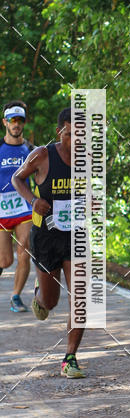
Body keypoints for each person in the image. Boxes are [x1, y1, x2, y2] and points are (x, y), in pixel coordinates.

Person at [12, 107, 86, 378]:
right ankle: (39, 297)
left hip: (75, 235)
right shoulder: (42, 155)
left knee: (80, 297)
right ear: (60, 131)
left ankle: (70, 358)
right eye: (70, 133)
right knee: (50, 303)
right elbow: (17, 178)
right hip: (45, 236)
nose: (76, 139)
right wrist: (33, 201)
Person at [0, 101, 33, 312]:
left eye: (20, 120)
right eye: (12, 120)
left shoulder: (31, 150)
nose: (16, 124)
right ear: (5, 122)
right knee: (4, 260)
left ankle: (16, 296)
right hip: (2, 210)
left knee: (24, 251)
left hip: (23, 208)